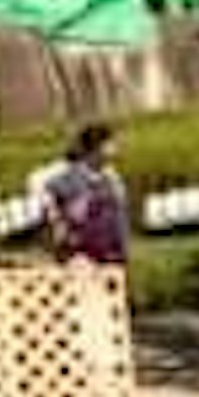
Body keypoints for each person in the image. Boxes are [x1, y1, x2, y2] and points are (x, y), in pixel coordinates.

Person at [37, 118, 133, 278]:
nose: (114, 148)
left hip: (111, 254)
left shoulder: (112, 179)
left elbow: (120, 216)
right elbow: (47, 193)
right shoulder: (71, 178)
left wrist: (123, 250)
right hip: (81, 256)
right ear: (97, 148)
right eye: (110, 144)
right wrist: (57, 219)